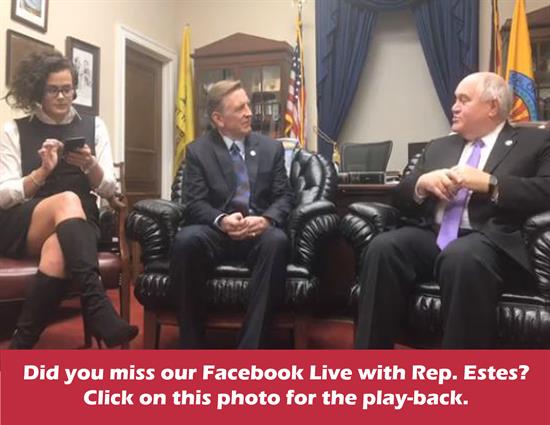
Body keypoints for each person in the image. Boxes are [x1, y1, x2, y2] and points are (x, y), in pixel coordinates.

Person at [354, 72, 550, 349]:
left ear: (492, 106)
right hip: (433, 235)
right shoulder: (439, 146)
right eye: (455, 100)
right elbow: (397, 197)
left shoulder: (534, 142)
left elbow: (545, 190)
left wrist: (492, 184)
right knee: (383, 247)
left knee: (461, 256)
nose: (454, 107)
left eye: (463, 100)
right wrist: (421, 185)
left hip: (491, 241)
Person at [0, 50, 138, 348]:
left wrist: (90, 165)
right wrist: (41, 173)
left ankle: (20, 345)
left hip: (80, 223)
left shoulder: (95, 126)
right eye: (53, 90)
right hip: (26, 221)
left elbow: (109, 189)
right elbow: (3, 195)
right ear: (38, 91)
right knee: (67, 199)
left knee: (58, 250)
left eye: (68, 89)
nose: (63, 96)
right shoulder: (14, 130)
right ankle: (98, 304)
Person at [171, 80, 294, 349]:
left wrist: (266, 220)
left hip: (257, 230)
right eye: (240, 108)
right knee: (185, 241)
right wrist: (221, 220)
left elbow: (285, 196)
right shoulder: (198, 151)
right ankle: (191, 346)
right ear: (219, 119)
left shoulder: (271, 149)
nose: (249, 112)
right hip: (216, 231)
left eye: (248, 105)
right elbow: (193, 203)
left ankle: (250, 349)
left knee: (277, 241)